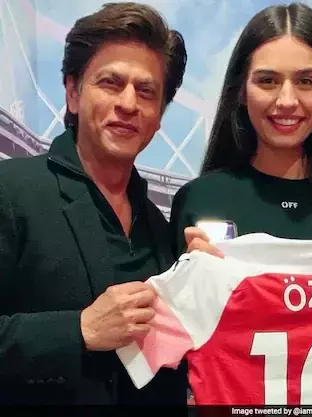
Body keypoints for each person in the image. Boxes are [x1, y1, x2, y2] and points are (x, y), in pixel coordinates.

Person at [0, 2, 188, 405]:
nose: (128, 103)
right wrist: (79, 330)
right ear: (72, 93)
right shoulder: (10, 191)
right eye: (110, 83)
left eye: (146, 91)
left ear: (159, 116)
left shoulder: (161, 229)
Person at [169, 2, 312, 256]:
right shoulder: (198, 200)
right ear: (241, 91)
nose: (287, 100)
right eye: (268, 81)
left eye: (305, 81)